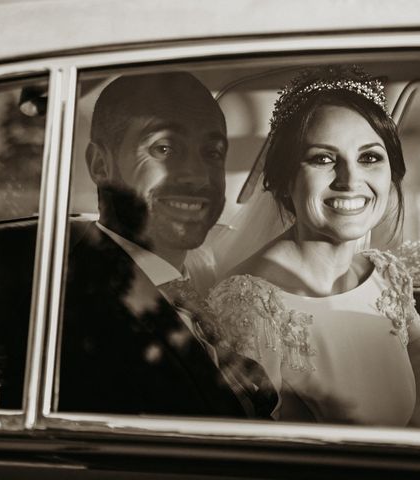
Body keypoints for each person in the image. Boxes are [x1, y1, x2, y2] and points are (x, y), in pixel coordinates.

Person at [204, 66, 420, 429]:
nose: (350, 180)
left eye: (369, 157)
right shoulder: (248, 305)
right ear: (283, 182)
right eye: (323, 158)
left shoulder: (385, 279)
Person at [59, 71, 276, 418]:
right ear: (100, 165)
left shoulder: (191, 283)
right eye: (163, 148)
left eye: (213, 152)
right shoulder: (82, 318)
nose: (198, 175)